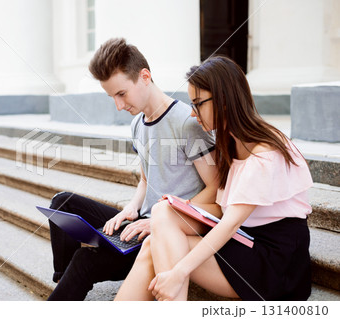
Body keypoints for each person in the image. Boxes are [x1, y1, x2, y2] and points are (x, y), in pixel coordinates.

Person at [115, 56, 313, 301]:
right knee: (160, 220)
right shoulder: (233, 142)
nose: (192, 112)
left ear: (224, 100)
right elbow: (221, 209)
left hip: (275, 264)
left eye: (198, 103)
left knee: (159, 238)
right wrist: (174, 209)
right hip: (246, 242)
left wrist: (179, 272)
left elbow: (229, 224)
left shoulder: (265, 153)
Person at [46, 38, 218, 300]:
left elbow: (215, 189)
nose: (118, 105)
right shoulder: (137, 124)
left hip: (165, 234)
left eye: (121, 94)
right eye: (112, 96)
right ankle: (64, 279)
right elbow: (146, 180)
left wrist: (161, 221)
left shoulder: (187, 123)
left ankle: (72, 278)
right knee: (62, 203)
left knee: (84, 259)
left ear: (144, 76)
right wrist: (131, 208)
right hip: (141, 223)